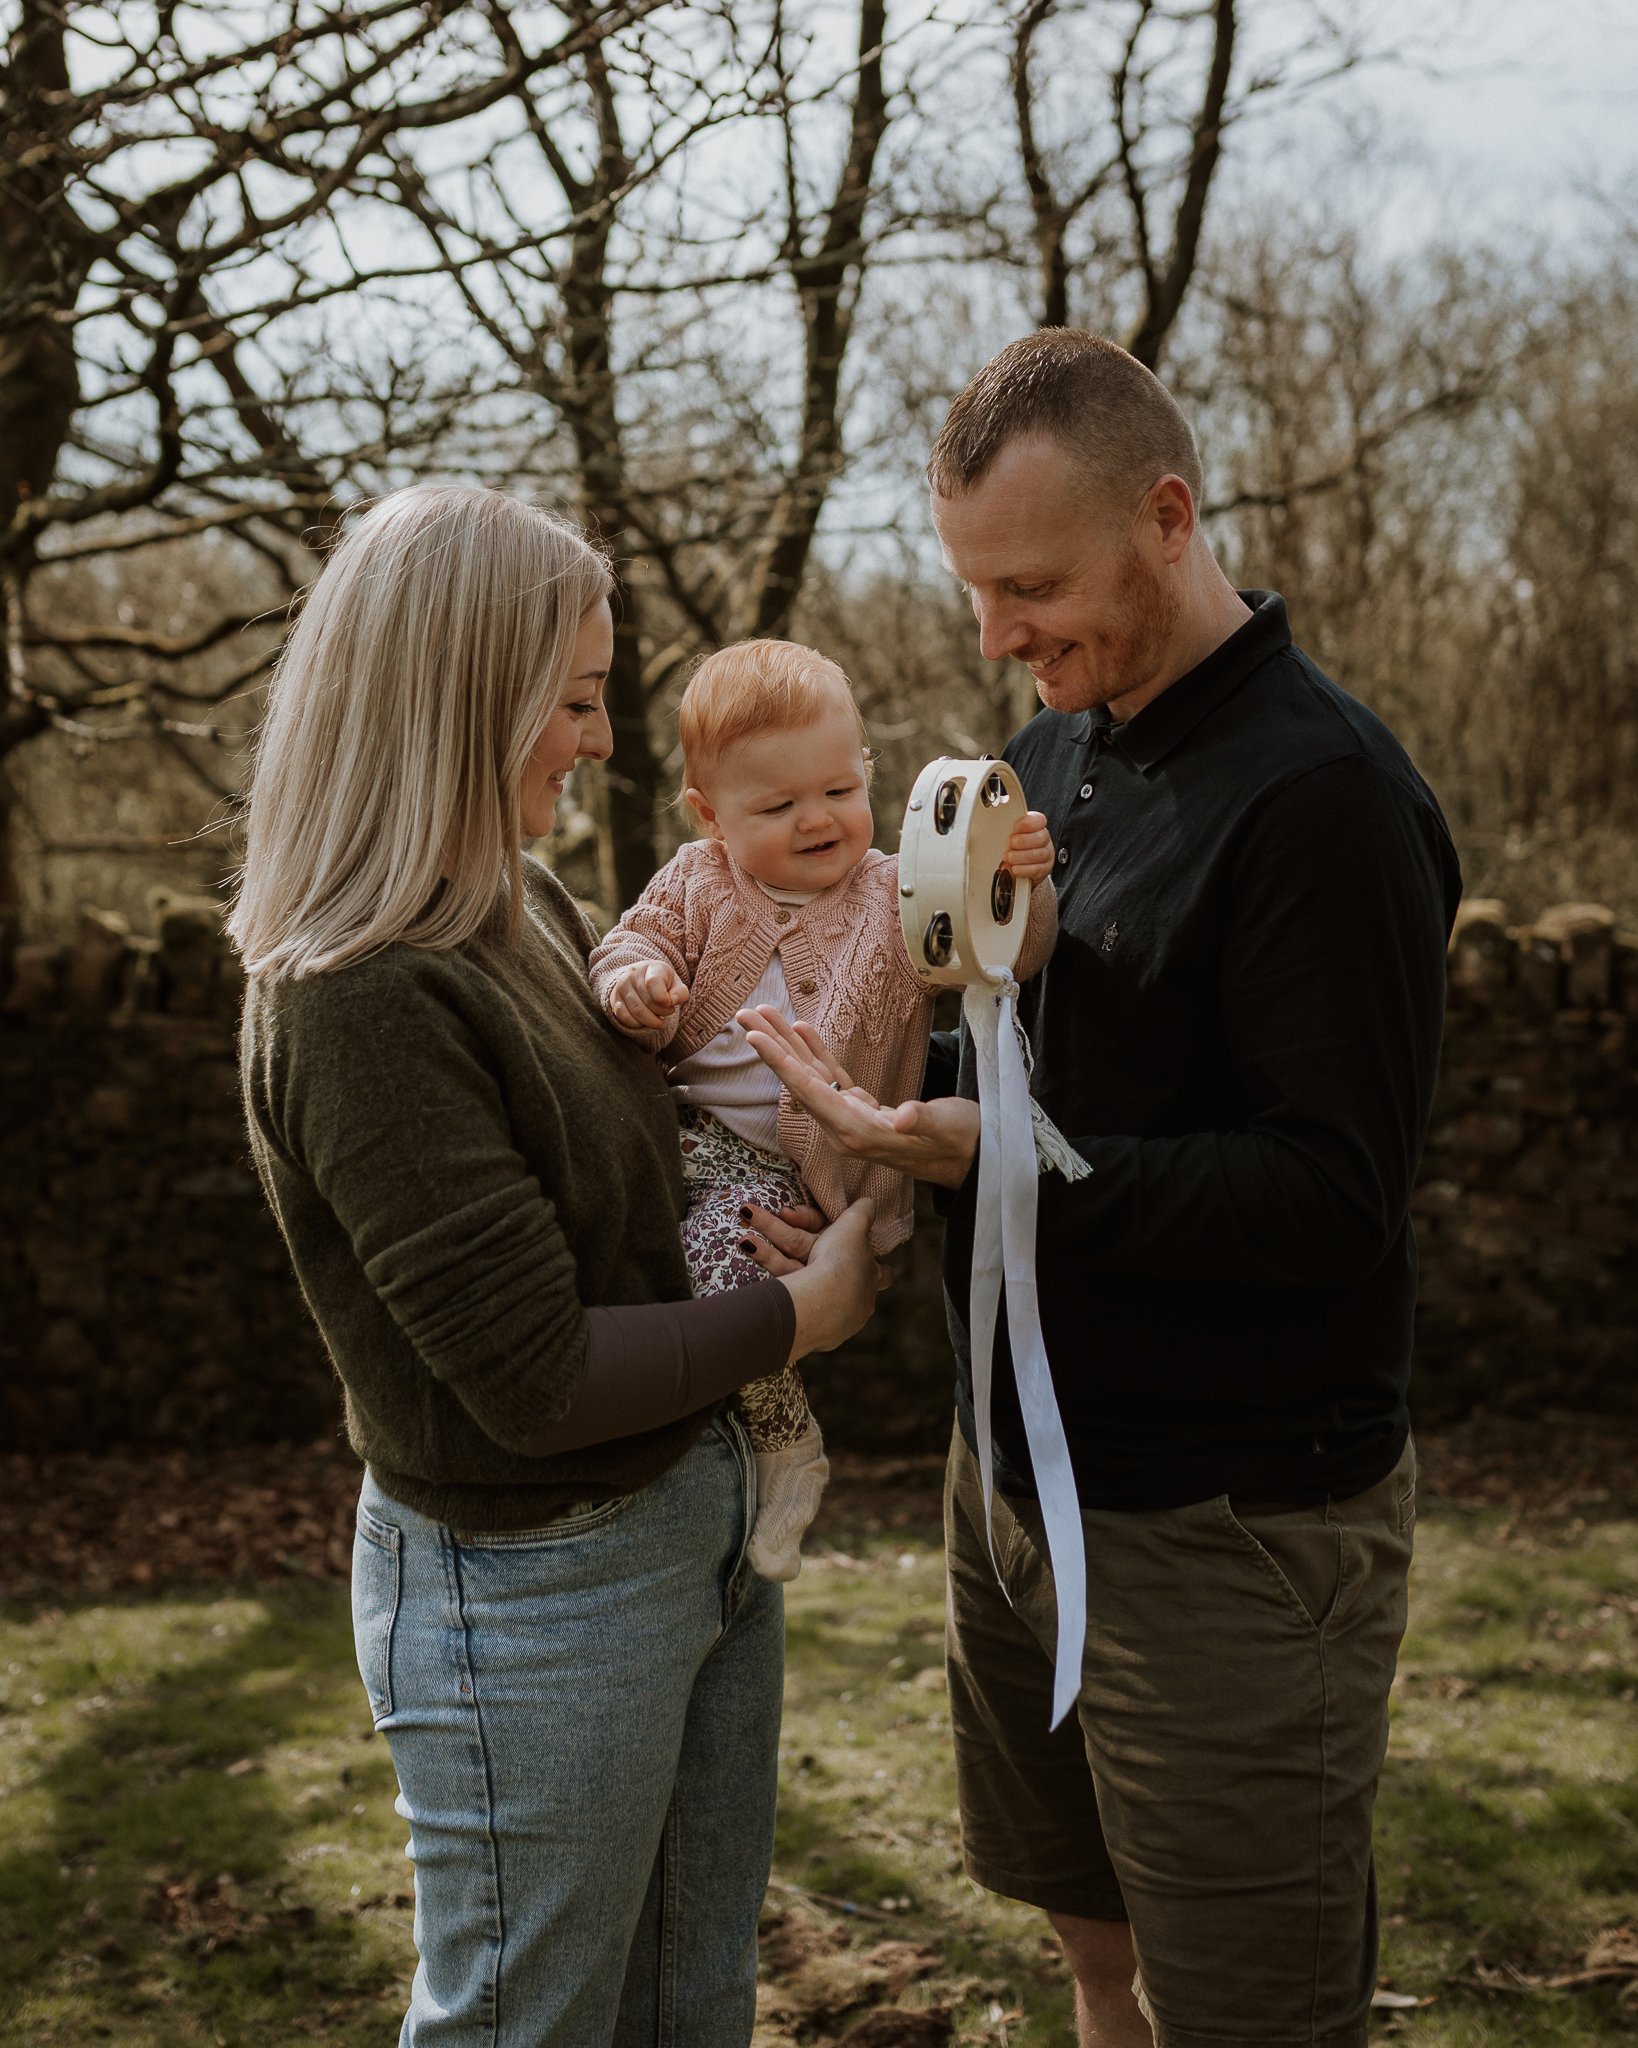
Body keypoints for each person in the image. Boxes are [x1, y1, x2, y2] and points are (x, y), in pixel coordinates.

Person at [740, 329, 1463, 2048]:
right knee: (1095, 1956)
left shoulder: (1326, 803)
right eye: (974, 590)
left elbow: (1324, 1194)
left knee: (1248, 2014)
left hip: (1225, 1530)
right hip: (1011, 1485)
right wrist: (867, 1134)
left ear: (1166, 513)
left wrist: (1010, 1164)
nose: (995, 635)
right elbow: (1018, 1067)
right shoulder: (1041, 757)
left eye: (1032, 585)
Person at [228, 485, 884, 2048]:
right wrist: (797, 1313)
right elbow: (531, 1377)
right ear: (467, 692)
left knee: (686, 2009)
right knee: (528, 2024)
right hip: (532, 1590)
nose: (597, 741)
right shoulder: (356, 992)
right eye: (578, 700)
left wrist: (754, 1226)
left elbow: (617, 1193)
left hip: (696, 1527)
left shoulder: (523, 903)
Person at [589, 638, 1058, 1580]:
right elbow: (627, 943)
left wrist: (1022, 882)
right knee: (621, 1272)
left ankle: (785, 1443)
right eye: (777, 805)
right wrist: (631, 984)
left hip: (814, 1169)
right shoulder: (695, 880)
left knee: (723, 1267)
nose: (818, 821)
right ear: (708, 815)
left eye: (840, 791)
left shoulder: (897, 894)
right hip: (682, 1139)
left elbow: (999, 954)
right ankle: (680, 1476)